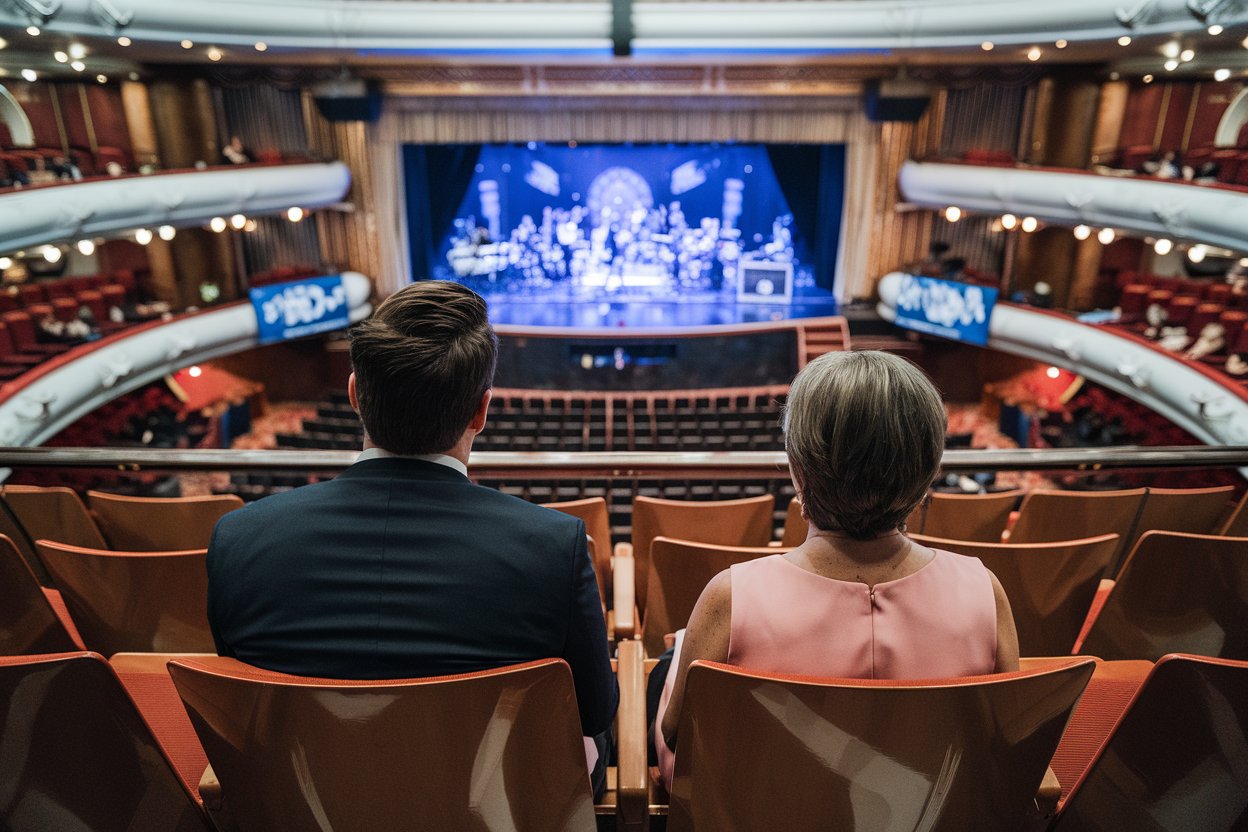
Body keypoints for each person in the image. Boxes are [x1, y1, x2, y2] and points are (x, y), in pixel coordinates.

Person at [207, 281, 617, 786]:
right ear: (481, 410)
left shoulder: (238, 538)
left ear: (356, 394)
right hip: (484, 806)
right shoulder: (554, 546)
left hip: (311, 800)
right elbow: (596, 713)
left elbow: (241, 696)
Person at [653, 350, 1019, 787]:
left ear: (799, 471)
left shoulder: (731, 596)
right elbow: (1002, 741)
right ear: (928, 470)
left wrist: (680, 661)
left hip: (763, 811)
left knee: (668, 666)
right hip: (927, 812)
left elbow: (675, 737)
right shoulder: (984, 591)